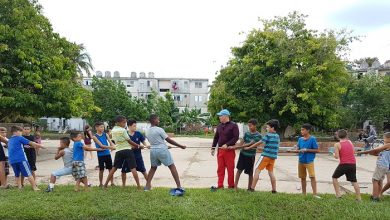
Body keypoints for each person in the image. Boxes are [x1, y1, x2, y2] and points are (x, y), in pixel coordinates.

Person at [144, 114, 186, 193]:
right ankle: (179, 186)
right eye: (158, 119)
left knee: (153, 168)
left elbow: (155, 142)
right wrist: (180, 146)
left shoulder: (147, 131)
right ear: (154, 120)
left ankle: (147, 186)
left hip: (153, 151)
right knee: (172, 166)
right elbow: (169, 140)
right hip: (162, 150)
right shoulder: (159, 129)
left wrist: (165, 146)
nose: (159, 121)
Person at [103, 115, 141, 189]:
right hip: (127, 150)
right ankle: (139, 186)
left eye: (125, 122)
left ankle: (105, 185)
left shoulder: (113, 130)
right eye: (123, 123)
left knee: (114, 168)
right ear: (118, 123)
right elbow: (129, 141)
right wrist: (138, 146)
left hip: (119, 151)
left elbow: (115, 140)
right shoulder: (123, 130)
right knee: (133, 168)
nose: (125, 124)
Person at [288, 124, 320, 198]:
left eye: (303, 129)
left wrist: (306, 150)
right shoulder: (300, 139)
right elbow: (298, 148)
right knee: (302, 178)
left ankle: (315, 194)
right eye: (301, 129)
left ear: (308, 130)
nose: (301, 131)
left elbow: (317, 150)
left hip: (309, 161)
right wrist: (294, 149)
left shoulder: (312, 139)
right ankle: (303, 193)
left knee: (312, 177)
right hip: (301, 161)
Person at [8, 126, 44, 191]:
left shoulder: (10, 139)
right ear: (16, 132)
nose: (22, 132)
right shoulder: (20, 137)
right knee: (29, 173)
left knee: (17, 174)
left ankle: (19, 187)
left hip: (12, 160)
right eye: (21, 131)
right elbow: (32, 143)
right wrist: (41, 146)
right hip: (21, 159)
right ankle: (34, 187)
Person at [211, 109, 239, 190]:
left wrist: (227, 144)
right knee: (220, 169)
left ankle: (231, 186)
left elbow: (236, 137)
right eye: (219, 116)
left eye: (221, 116)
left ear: (226, 116)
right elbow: (216, 138)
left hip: (229, 151)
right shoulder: (219, 126)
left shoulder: (233, 125)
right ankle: (220, 185)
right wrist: (213, 148)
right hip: (220, 150)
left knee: (230, 169)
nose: (219, 117)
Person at [250, 119, 280, 193]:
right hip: (272, 157)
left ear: (272, 128)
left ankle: (252, 188)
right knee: (271, 172)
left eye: (267, 127)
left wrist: (250, 147)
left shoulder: (268, 135)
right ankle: (274, 190)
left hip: (265, 156)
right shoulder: (277, 136)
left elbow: (260, 142)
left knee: (257, 170)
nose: (266, 129)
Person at [358, 132, 390, 202]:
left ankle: (374, 198)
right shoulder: (387, 146)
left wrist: (363, 152)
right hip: (385, 166)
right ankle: (378, 195)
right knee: (380, 180)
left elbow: (375, 150)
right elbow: (380, 153)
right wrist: (372, 153)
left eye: (384, 138)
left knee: (374, 180)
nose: (383, 139)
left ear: (388, 138)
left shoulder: (388, 144)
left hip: (381, 165)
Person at [331, 129, 361, 201]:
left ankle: (338, 195)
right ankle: (358, 198)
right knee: (354, 181)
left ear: (338, 136)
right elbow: (353, 151)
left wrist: (333, 154)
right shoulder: (349, 142)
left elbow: (336, 157)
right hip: (352, 164)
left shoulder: (337, 144)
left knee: (334, 177)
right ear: (346, 135)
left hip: (344, 164)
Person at [233, 119, 262, 191]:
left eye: (251, 126)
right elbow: (242, 142)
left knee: (250, 173)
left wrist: (238, 147)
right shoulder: (246, 133)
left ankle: (249, 188)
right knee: (239, 170)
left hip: (251, 156)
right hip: (243, 154)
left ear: (255, 125)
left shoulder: (258, 135)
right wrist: (235, 147)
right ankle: (235, 186)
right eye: (248, 126)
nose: (249, 127)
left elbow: (250, 143)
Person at [121, 119, 149, 187]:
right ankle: (123, 185)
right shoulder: (125, 134)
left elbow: (144, 142)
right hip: (127, 156)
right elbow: (126, 145)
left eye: (135, 126)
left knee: (143, 171)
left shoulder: (138, 133)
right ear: (129, 126)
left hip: (138, 156)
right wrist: (138, 146)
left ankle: (149, 184)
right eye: (134, 126)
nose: (135, 127)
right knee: (123, 171)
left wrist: (146, 146)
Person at [94, 122, 116, 187]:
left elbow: (110, 141)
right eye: (101, 127)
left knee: (110, 169)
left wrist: (113, 146)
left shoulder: (105, 134)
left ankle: (112, 183)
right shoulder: (94, 137)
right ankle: (101, 183)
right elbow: (101, 146)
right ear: (96, 128)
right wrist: (111, 147)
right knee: (101, 170)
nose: (102, 128)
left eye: (103, 127)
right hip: (100, 155)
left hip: (107, 154)